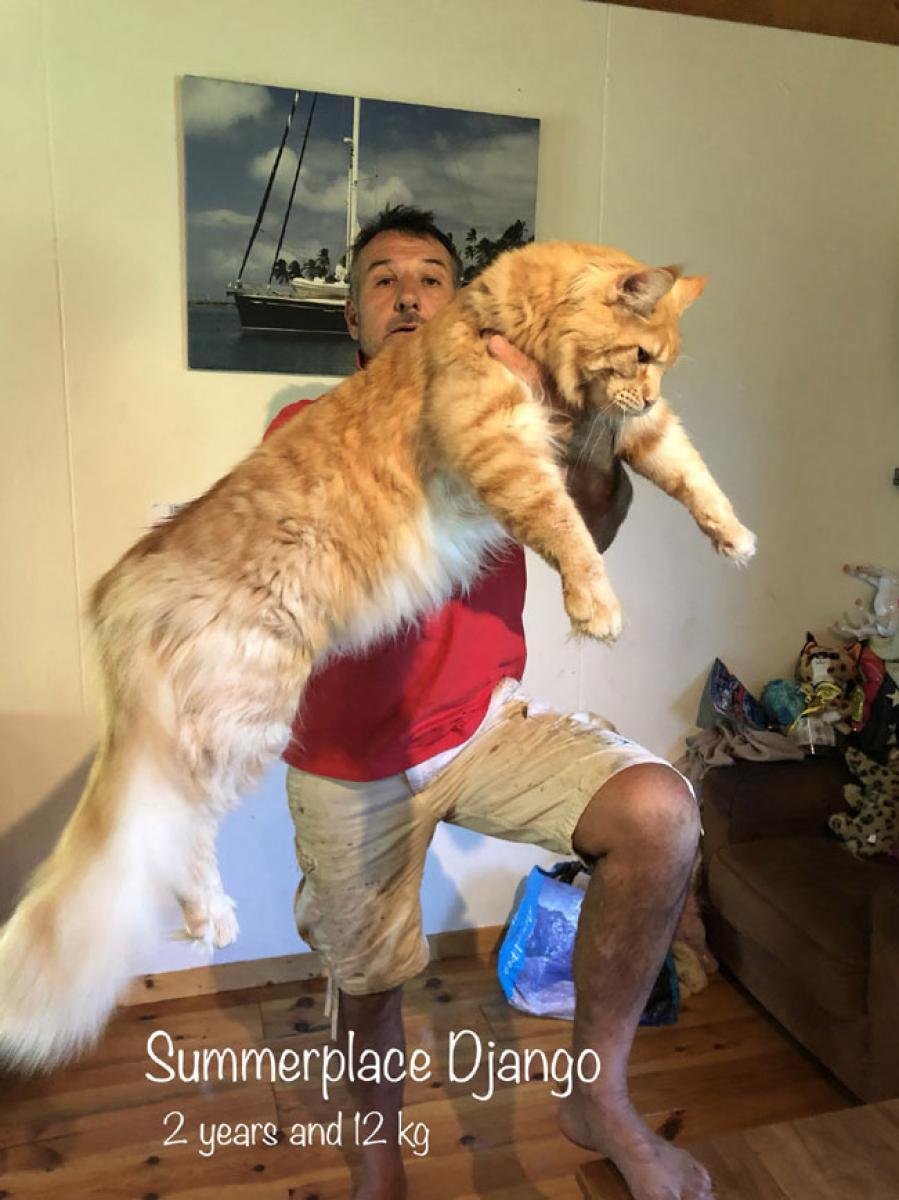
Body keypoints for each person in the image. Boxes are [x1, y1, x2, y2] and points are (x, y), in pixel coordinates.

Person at [264, 206, 712, 1200]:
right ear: (352, 318)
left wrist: (583, 423)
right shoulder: (303, 428)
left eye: (432, 277)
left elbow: (592, 523)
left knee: (658, 815)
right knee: (368, 979)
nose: (409, 293)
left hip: (477, 725)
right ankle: (378, 1159)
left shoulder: (517, 420)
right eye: (383, 279)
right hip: (348, 763)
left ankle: (598, 1098)